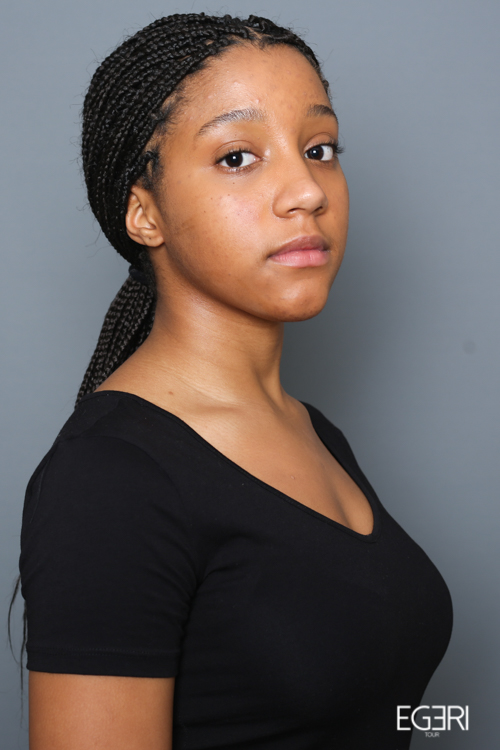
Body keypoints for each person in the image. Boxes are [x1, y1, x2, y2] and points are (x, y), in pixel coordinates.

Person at [19, 12, 453, 750]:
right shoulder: (112, 478)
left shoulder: (313, 433)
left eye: (319, 148)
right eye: (237, 157)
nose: (307, 191)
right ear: (144, 213)